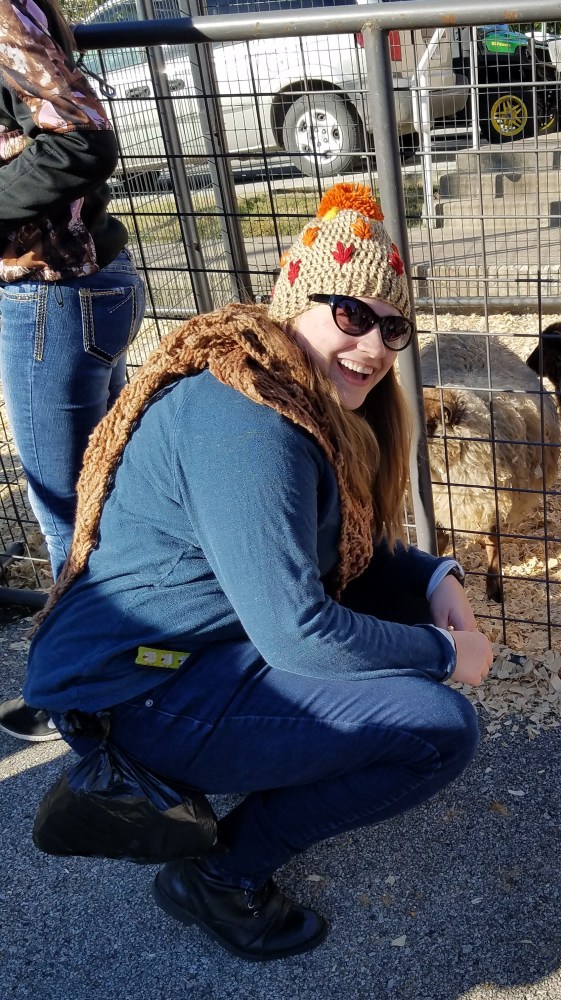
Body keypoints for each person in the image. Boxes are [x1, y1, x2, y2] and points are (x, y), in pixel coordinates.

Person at [24, 182, 493, 962]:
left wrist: (437, 577)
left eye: (393, 327)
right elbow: (298, 632)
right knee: (438, 732)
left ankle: (230, 771)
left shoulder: (281, 392)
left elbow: (339, 548)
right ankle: (219, 876)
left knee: (395, 626)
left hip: (186, 653)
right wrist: (447, 655)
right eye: (350, 313)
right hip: (133, 691)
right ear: (292, 303)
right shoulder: (249, 422)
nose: (374, 347)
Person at [0, 0, 146, 741]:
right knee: (105, 496)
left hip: (50, 296)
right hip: (76, 291)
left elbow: (83, 142)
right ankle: (130, 670)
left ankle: (85, 700)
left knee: (69, 510)